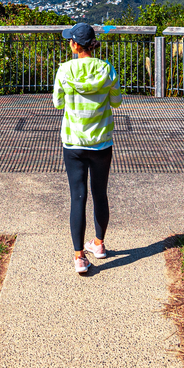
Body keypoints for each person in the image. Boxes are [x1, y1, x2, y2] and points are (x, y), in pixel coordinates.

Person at [52, 21, 123, 275]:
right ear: (92, 44)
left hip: (73, 142)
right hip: (102, 141)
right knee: (100, 193)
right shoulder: (107, 69)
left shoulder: (64, 70)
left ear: (74, 44)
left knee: (78, 196)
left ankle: (80, 257)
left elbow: (58, 104)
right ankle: (100, 244)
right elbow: (116, 102)